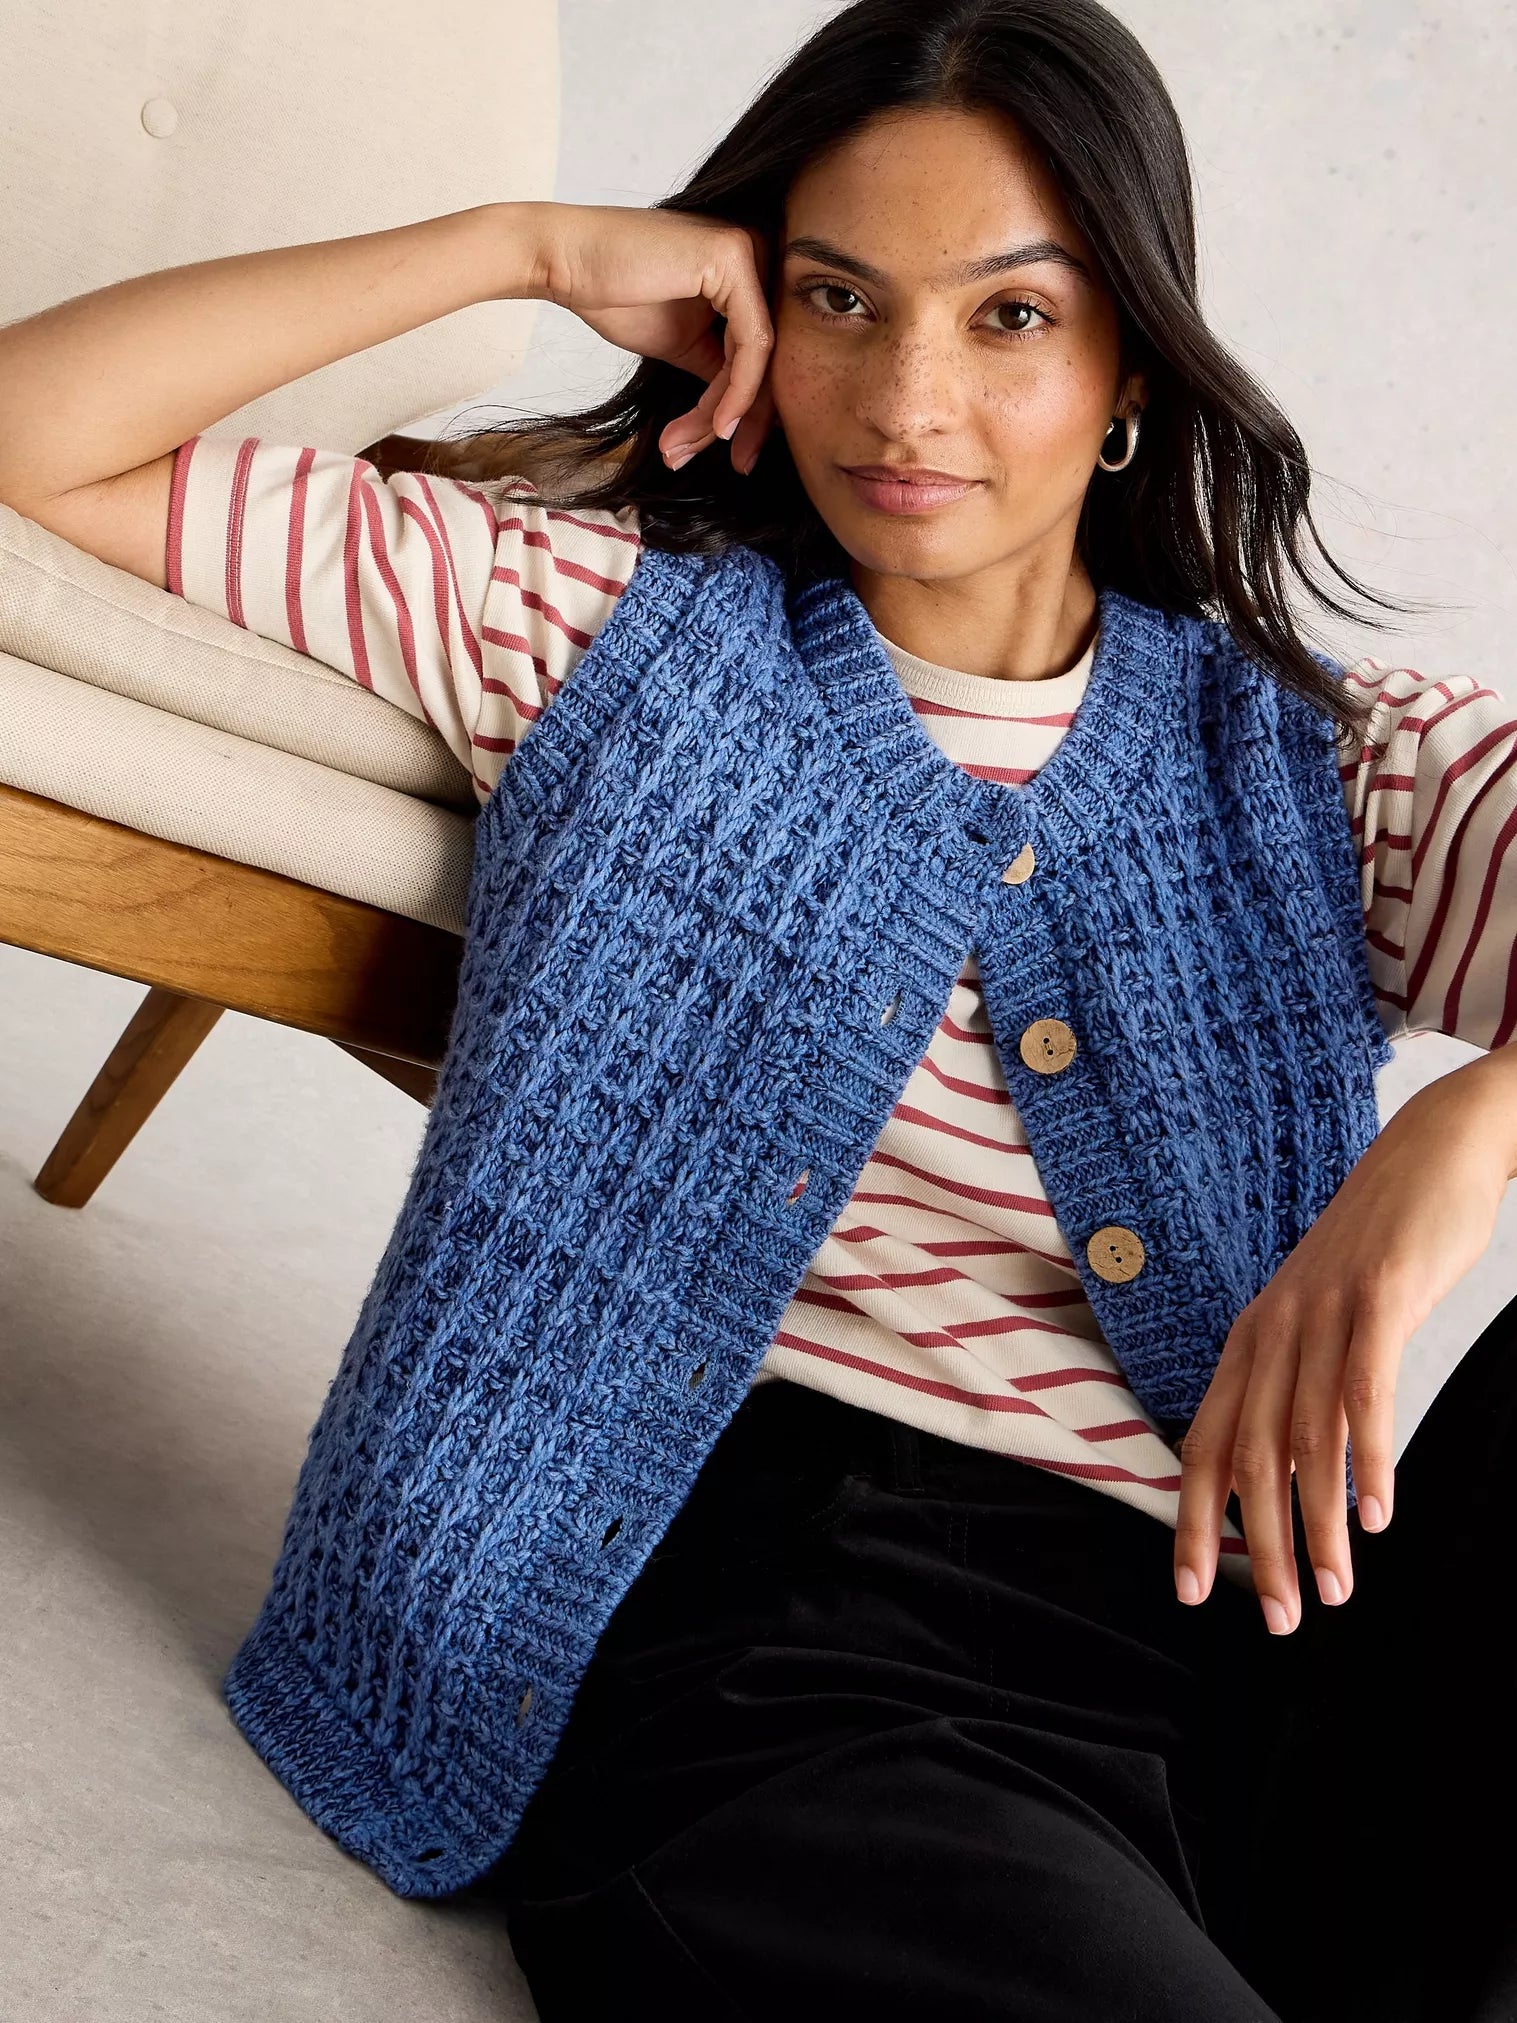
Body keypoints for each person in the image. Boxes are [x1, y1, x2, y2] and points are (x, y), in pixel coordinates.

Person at [2, 0, 1515, 2014]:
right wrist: (527, 244)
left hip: (1263, 1671)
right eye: (840, 299)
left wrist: (1461, 1134)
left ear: (1134, 350)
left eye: (1009, 317)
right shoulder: (594, 629)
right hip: (795, 1655)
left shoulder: (1323, 768)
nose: (906, 397)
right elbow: (32, 438)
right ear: (748, 314)